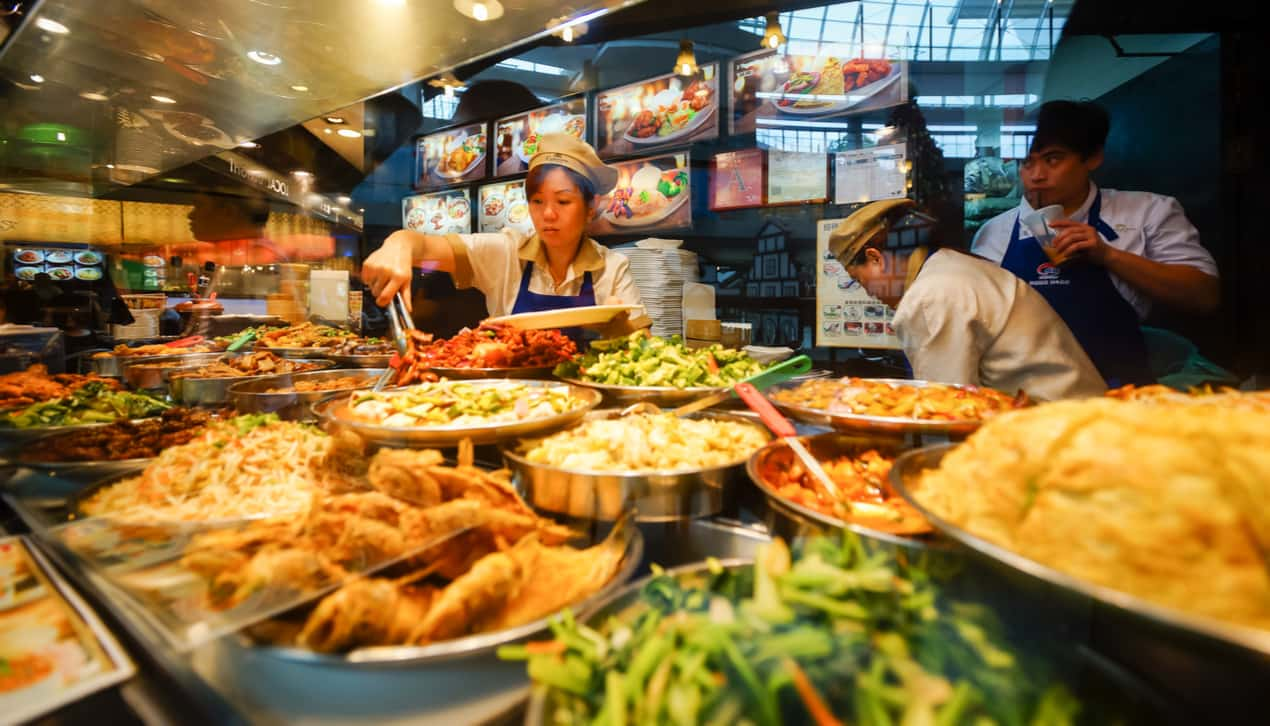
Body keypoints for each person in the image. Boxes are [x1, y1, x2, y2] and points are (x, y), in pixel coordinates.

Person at [971, 100, 1219, 388]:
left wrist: (1108, 256)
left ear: (1093, 158)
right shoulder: (994, 232)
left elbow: (1204, 295)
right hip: (1017, 396)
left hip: (1119, 396)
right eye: (1027, 162)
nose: (1036, 175)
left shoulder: (1147, 212)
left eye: (1053, 159)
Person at [362, 133, 649, 339]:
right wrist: (398, 244)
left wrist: (619, 327)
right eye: (537, 201)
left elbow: (644, 353)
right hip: (512, 402)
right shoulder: (505, 251)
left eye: (563, 202)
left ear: (591, 207)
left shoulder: (612, 267)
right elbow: (423, 245)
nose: (547, 214)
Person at [833, 198, 1106, 401]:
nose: (867, 292)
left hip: (1055, 434)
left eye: (860, 280)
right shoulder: (951, 267)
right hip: (1076, 419)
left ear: (875, 258)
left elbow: (944, 408)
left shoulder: (930, 296)